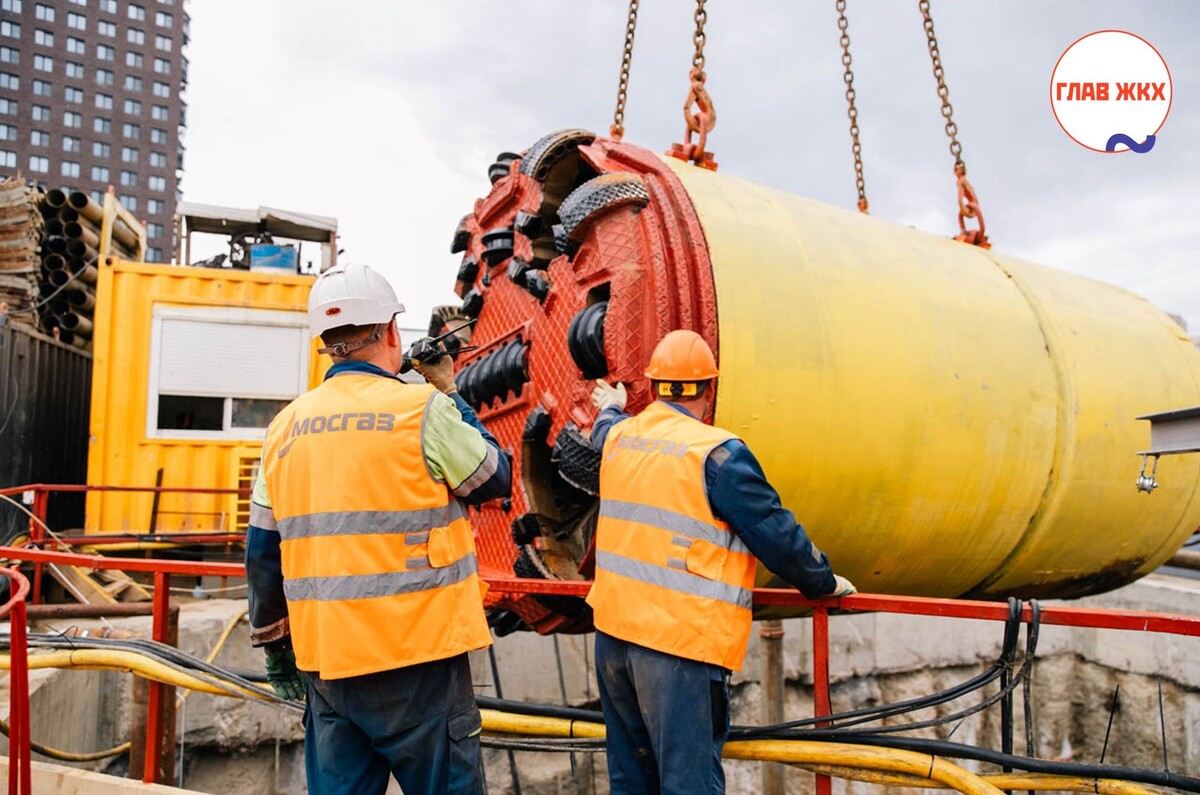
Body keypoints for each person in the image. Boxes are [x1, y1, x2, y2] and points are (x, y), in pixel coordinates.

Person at [244, 263, 510, 795]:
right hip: (421, 665)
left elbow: (262, 553)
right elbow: (493, 478)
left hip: (328, 668)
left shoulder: (284, 428)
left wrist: (276, 646)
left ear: (327, 343)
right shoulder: (423, 411)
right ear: (392, 333)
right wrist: (450, 391)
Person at [586, 329, 856, 795]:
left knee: (631, 780)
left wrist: (611, 403)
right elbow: (775, 532)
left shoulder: (620, 439)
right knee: (688, 783)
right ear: (709, 390)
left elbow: (603, 430)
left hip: (613, 639)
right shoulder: (717, 455)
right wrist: (823, 581)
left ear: (652, 388)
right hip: (678, 648)